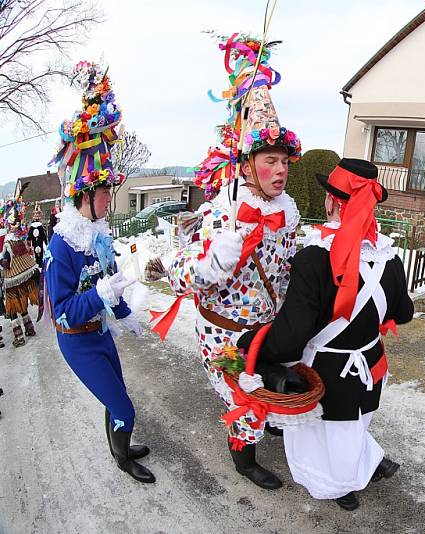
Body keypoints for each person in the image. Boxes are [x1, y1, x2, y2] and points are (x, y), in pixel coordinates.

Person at [164, 34, 301, 490]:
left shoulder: (288, 211)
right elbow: (175, 274)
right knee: (243, 397)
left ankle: (270, 424)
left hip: (269, 327)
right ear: (246, 166)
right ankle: (244, 461)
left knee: (271, 388)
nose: (280, 170)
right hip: (224, 332)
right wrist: (209, 263)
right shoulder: (220, 213)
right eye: (270, 160)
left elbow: (287, 265)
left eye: (284, 161)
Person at [238, 158, 414, 511]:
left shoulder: (315, 258)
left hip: (328, 372)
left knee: (325, 439)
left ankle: (340, 489)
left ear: (332, 202)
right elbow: (403, 313)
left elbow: (292, 336)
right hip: (370, 366)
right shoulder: (389, 258)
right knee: (352, 430)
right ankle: (362, 470)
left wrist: (252, 346)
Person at [46, 62, 154, 483]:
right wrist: (102, 296)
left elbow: (113, 283)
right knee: (125, 406)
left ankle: (118, 442)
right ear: (86, 195)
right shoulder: (62, 243)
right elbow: (63, 312)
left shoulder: (98, 233)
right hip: (77, 342)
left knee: (118, 398)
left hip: (101, 333)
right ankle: (123, 458)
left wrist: (126, 315)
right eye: (107, 192)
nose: (111, 200)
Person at [1, 196, 38, 347]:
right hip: (25, 276)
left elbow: (6, 263)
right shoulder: (19, 239)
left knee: (12, 310)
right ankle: (29, 328)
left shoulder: (8, 242)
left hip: (12, 279)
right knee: (22, 305)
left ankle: (19, 337)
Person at [28, 203, 48, 268]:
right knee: (37, 252)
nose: (36, 215)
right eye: (35, 214)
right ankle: (38, 263)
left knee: (39, 252)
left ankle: (39, 263)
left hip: (38, 241)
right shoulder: (34, 226)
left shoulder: (39, 225)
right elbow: (30, 235)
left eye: (37, 214)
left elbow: (42, 234)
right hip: (36, 241)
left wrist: (45, 241)